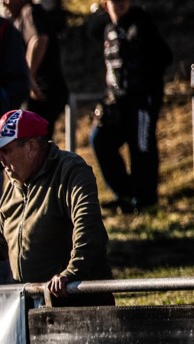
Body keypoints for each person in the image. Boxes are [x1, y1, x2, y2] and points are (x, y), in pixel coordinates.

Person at [0, 109, 113, 308]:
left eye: (5, 150)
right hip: (32, 305)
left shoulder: (71, 171)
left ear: (31, 147)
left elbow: (88, 228)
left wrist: (72, 273)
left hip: (80, 304)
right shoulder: (15, 184)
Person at [89, 0, 171, 213]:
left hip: (143, 101)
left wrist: (144, 88)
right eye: (114, 0)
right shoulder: (108, 29)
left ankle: (146, 201)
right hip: (117, 103)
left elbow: (165, 57)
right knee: (99, 139)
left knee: (141, 146)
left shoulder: (141, 23)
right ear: (105, 5)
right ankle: (125, 194)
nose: (120, 3)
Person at [1, 0, 68, 131]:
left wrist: (28, 77)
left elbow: (39, 40)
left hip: (42, 89)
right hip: (41, 89)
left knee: (32, 136)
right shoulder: (21, 16)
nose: (4, 3)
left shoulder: (30, 11)